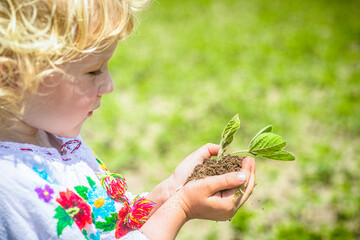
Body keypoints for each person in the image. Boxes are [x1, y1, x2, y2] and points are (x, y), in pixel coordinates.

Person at [0, 0, 256, 239]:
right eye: (93, 71)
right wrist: (182, 207)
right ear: (15, 75)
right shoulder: (13, 187)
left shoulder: (50, 135)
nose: (109, 85)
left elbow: (111, 224)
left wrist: (171, 190)